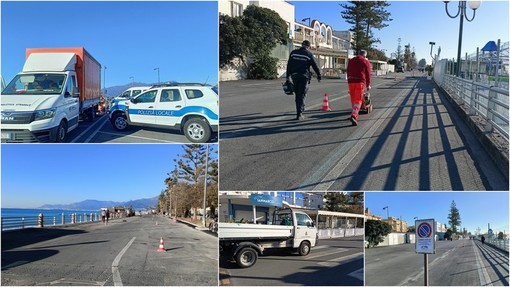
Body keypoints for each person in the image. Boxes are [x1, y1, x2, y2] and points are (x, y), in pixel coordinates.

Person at [286, 40, 322, 120]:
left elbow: (289, 65)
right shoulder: (309, 54)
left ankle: (299, 110)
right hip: (304, 77)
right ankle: (300, 113)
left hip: (294, 76)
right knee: (301, 95)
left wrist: (287, 76)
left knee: (297, 94)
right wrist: (319, 75)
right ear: (308, 47)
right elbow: (315, 65)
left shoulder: (293, 53)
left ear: (301, 45)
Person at [347, 49, 372, 126]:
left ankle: (354, 112)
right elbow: (368, 73)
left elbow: (348, 70)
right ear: (365, 55)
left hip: (351, 81)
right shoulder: (365, 61)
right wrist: (368, 85)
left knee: (353, 98)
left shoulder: (351, 60)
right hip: (359, 81)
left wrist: (349, 79)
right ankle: (354, 115)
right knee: (358, 99)